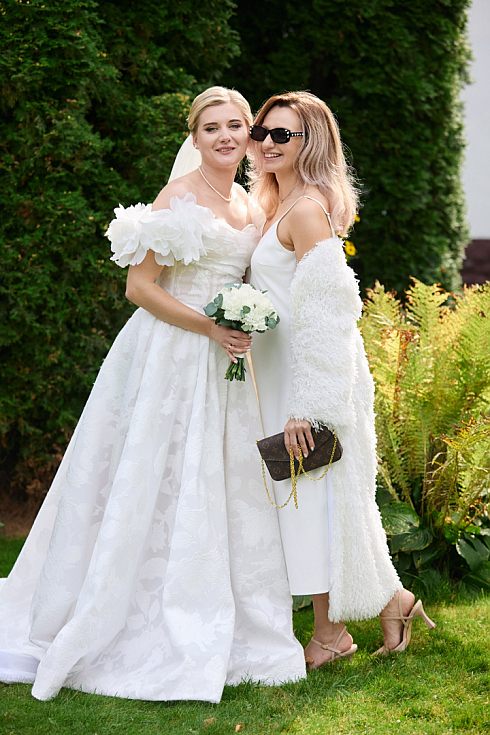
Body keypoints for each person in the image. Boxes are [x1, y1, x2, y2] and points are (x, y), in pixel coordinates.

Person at [0, 86, 306, 701]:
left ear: (248, 134)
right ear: (194, 138)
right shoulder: (180, 197)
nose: (224, 137)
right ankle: (125, 606)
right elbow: (140, 288)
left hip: (225, 362)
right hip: (171, 351)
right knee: (151, 475)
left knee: (216, 478)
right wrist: (210, 327)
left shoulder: (250, 202)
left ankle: (217, 600)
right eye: (210, 128)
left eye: (235, 126)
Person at [249, 91, 435, 669]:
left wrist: (308, 405)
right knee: (305, 498)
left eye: (284, 134)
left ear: (312, 143)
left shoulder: (306, 210)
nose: (268, 143)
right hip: (279, 371)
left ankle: (331, 635)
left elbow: (328, 314)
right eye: (262, 132)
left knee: (316, 499)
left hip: (311, 376)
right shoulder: (274, 203)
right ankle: (392, 601)